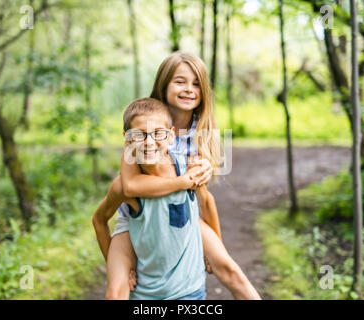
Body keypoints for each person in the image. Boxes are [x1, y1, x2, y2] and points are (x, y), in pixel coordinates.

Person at [92, 52, 261, 300]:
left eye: (196, 84)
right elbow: (129, 185)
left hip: (180, 212)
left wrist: (215, 248)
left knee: (231, 271)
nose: (189, 90)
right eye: (180, 82)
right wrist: (182, 181)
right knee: (117, 290)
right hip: (138, 217)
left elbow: (204, 199)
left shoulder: (202, 131)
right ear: (164, 84)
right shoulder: (144, 122)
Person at [116, 97, 206, 299]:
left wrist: (211, 251)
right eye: (139, 135)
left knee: (232, 271)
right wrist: (123, 270)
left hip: (189, 291)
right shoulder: (124, 184)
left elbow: (207, 202)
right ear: (127, 138)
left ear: (171, 136)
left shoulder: (188, 166)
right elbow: (102, 215)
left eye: (157, 134)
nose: (148, 142)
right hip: (146, 293)